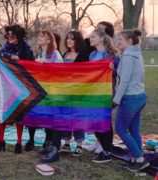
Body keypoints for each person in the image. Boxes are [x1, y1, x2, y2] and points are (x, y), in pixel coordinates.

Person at [0, 24, 34, 154]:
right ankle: (0, 141)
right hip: (5, 88)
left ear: (19, 36)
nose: (9, 37)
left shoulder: (27, 51)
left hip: (20, 89)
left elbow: (31, 70)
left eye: (13, 35)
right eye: (8, 35)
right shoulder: (2, 51)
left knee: (19, 114)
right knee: (2, 113)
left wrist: (21, 62)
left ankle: (18, 143)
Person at [113, 29, 149, 172]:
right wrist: (115, 68)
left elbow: (125, 81)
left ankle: (139, 159)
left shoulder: (127, 56)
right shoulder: (136, 54)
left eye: (120, 39)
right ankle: (136, 157)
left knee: (120, 129)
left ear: (129, 41)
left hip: (130, 98)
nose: (118, 42)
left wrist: (116, 100)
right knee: (134, 129)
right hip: (140, 96)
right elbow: (132, 75)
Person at [25, 31, 63, 152]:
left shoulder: (55, 54)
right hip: (38, 89)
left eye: (42, 36)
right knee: (34, 113)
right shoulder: (38, 53)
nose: (39, 38)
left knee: (49, 115)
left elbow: (61, 71)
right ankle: (31, 139)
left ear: (48, 40)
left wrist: (47, 65)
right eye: (39, 35)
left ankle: (48, 140)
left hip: (51, 91)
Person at [88, 28, 120, 163]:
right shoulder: (92, 55)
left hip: (105, 94)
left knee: (105, 122)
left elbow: (121, 72)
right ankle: (103, 146)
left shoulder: (112, 56)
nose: (90, 39)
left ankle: (107, 150)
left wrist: (114, 69)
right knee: (95, 121)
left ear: (101, 38)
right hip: (92, 94)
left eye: (93, 37)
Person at [59, 30, 89, 157]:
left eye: (72, 38)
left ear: (78, 40)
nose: (68, 41)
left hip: (79, 91)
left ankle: (79, 145)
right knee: (66, 116)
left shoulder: (83, 54)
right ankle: (66, 142)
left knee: (77, 117)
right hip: (65, 91)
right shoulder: (66, 54)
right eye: (67, 38)